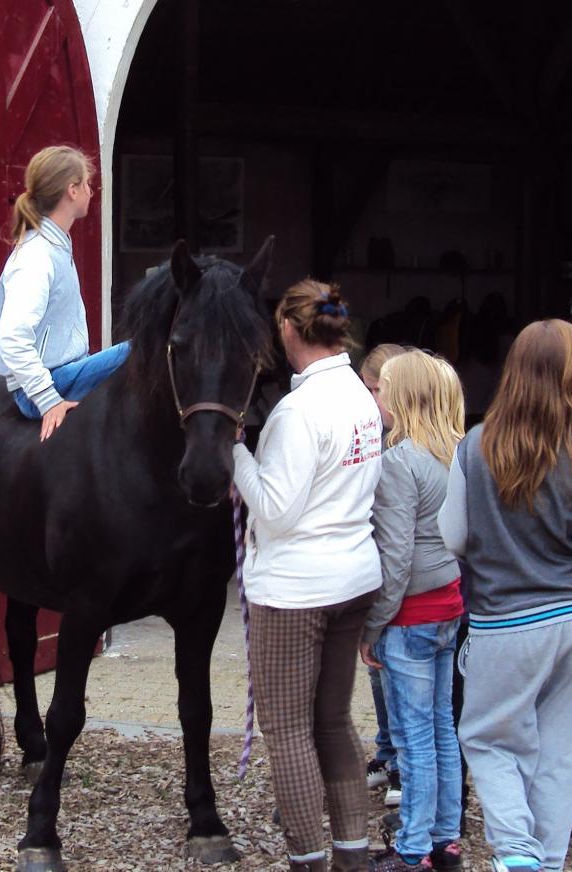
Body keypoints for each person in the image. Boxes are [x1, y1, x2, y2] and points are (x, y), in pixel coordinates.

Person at [438, 319, 572, 872]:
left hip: (503, 621)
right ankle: (545, 860)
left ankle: (517, 852)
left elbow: (453, 537)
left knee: (489, 740)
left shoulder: (474, 447)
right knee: (563, 751)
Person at [234, 280, 384, 872]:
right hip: (353, 577)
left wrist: (236, 451)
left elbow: (274, 510)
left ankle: (309, 860)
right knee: (332, 720)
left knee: (287, 729)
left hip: (296, 590)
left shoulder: (297, 412)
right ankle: (351, 855)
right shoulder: (359, 396)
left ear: (289, 331)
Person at [360, 350, 467, 872]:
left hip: (410, 617)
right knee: (444, 728)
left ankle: (413, 849)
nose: (373, 399)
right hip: (449, 608)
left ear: (400, 399)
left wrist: (372, 626)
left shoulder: (398, 463)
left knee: (413, 737)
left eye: (381, 391)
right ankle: (447, 838)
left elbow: (395, 557)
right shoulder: (455, 454)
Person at [0, 144, 129, 440]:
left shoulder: (55, 247)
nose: (92, 191)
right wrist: (48, 399)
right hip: (48, 386)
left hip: (65, 372)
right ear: (72, 190)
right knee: (140, 351)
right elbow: (12, 340)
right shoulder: (36, 256)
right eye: (87, 183)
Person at [360, 343, 409, 806]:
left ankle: (402, 765)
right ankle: (385, 748)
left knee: (397, 676)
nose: (370, 400)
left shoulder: (404, 451)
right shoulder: (372, 436)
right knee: (378, 673)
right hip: (380, 577)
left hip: (404, 587)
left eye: (376, 390)